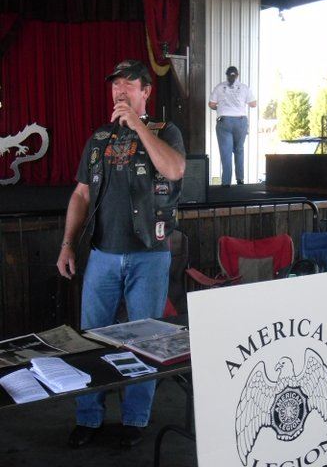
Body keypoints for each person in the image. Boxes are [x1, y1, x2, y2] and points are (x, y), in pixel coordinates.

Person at [56, 59, 185, 449]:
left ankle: (134, 420)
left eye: (130, 83)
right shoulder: (98, 139)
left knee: (143, 341)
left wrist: (139, 126)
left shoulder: (167, 131)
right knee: (92, 341)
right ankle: (89, 417)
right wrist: (66, 243)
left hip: (149, 254)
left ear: (146, 92)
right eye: (115, 84)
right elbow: (80, 193)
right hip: (102, 256)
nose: (120, 90)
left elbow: (176, 169)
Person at [209, 66, 256, 186]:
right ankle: (240, 180)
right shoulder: (244, 87)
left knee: (226, 153)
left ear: (227, 75)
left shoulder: (220, 87)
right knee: (239, 150)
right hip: (240, 121)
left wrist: (219, 107)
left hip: (224, 121)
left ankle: (226, 183)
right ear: (237, 75)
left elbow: (211, 104)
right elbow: (253, 104)